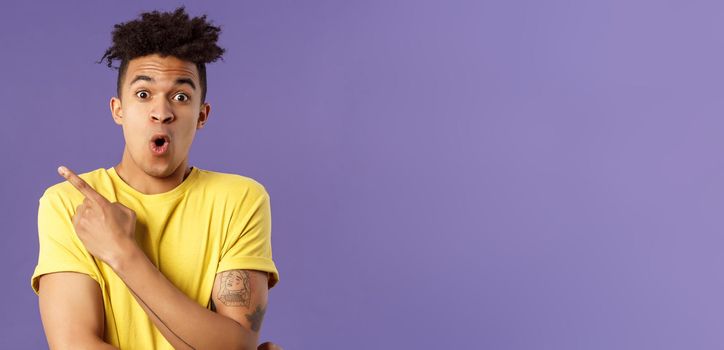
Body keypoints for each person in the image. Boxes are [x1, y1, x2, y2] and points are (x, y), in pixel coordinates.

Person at [30, 7, 283, 350]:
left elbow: (233, 345)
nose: (161, 112)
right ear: (118, 110)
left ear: (202, 115)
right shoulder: (69, 204)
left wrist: (121, 251)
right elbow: (74, 344)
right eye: (143, 94)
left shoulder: (241, 199)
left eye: (181, 97)